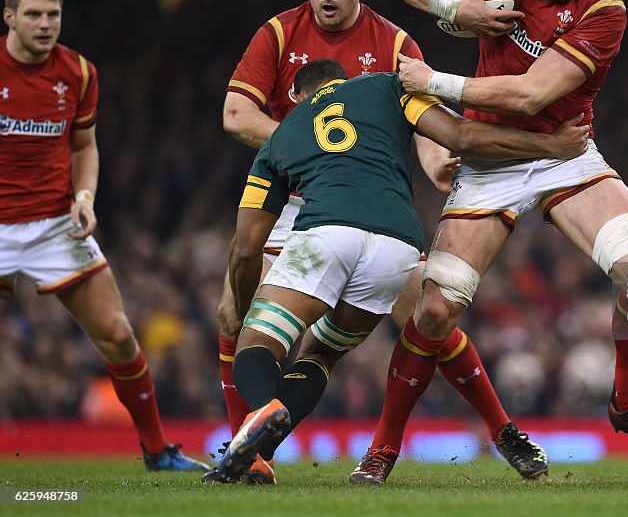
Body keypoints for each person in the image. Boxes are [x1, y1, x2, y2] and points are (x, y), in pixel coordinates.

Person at [351, 0, 628, 485]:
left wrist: (437, 79)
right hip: (491, 160)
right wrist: (452, 9)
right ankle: (382, 450)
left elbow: (534, 93)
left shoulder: (604, 8)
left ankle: (627, 402)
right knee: (434, 310)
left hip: (566, 156)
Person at [220, 0, 548, 483]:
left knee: (429, 313)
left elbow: (425, 119)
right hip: (296, 196)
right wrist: (315, 153)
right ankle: (250, 454)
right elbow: (236, 114)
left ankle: (502, 430)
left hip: (354, 204)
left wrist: (438, 161)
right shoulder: (277, 34)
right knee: (232, 314)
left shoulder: (395, 44)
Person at [204, 59, 588, 483]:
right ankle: (256, 448)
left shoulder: (281, 138)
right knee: (321, 354)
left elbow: (245, 249)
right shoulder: (384, 87)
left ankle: (264, 407)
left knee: (258, 342)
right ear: (343, 83)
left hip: (326, 232)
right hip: (398, 246)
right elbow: (460, 135)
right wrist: (551, 146)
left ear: (294, 98)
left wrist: (242, 308)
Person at [0, 0, 208, 472]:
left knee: (117, 335)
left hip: (54, 223)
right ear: (9, 17)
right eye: (34, 14)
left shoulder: (78, 73)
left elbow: (84, 146)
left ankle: (157, 451)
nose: (46, 24)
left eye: (53, 14)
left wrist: (85, 196)